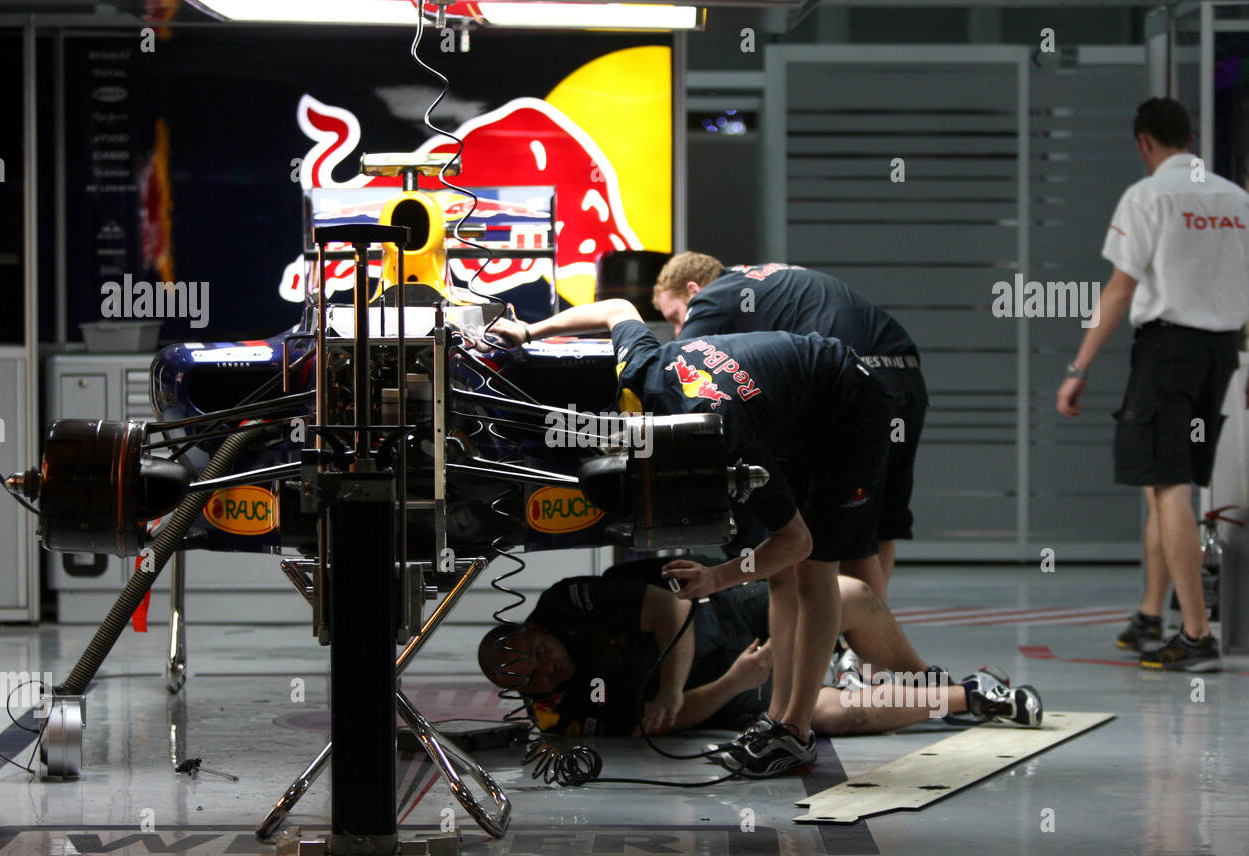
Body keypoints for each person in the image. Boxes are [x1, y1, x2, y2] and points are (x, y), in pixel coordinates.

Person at [487, 298, 893, 776]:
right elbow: (619, 308)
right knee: (783, 577)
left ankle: (797, 733)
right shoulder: (637, 374)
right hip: (790, 409)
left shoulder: (726, 436)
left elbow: (796, 542)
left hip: (849, 406)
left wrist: (717, 577)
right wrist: (529, 331)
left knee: (810, 567)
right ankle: (776, 719)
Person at [1056, 98, 1249, 673]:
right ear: (1189, 138)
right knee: (1168, 484)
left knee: (1169, 487)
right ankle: (1149, 615)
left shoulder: (1148, 196)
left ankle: (1194, 635)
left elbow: (1119, 289)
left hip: (1168, 352)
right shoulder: (1237, 200)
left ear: (1145, 143)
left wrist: (1078, 368)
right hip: (1220, 353)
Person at [476, 571, 1043, 760]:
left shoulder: (564, 601)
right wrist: (736, 682)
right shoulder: (562, 713)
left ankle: (924, 680)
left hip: (721, 616)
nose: (540, 671)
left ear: (535, 629)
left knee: (851, 595)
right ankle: (974, 695)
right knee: (827, 715)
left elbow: (668, 605)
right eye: (524, 678)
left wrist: (671, 684)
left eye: (534, 655)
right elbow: (659, 725)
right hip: (725, 688)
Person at [652, 254, 928, 599]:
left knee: (841, 542)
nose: (680, 327)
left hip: (860, 390)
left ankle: (857, 638)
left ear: (692, 290)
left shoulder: (714, 295)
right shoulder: (762, 276)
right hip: (904, 378)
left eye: (677, 316)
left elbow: (677, 365)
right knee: (877, 523)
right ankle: (862, 636)